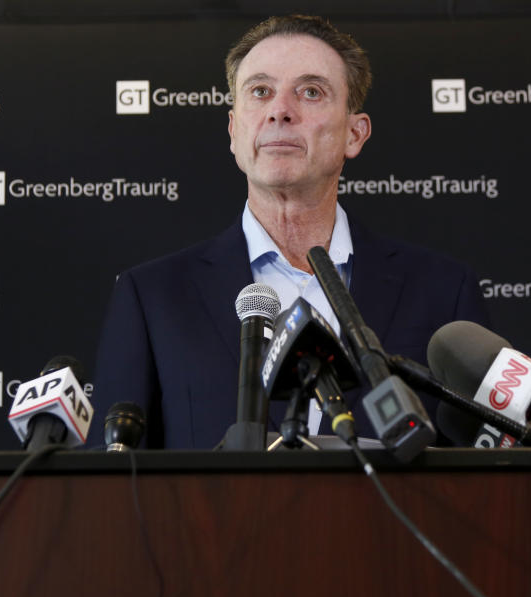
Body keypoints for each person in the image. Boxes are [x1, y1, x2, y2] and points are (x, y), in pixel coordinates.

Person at [90, 15, 489, 449]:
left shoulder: (443, 290)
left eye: (311, 92)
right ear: (234, 132)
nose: (280, 110)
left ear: (354, 134)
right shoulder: (152, 296)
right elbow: (112, 484)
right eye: (260, 92)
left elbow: (486, 485)